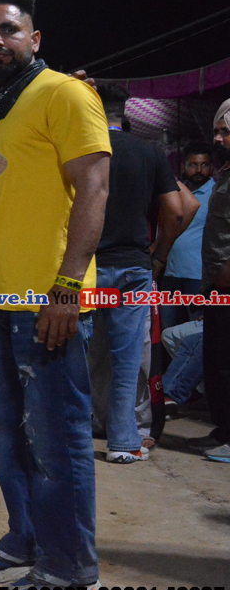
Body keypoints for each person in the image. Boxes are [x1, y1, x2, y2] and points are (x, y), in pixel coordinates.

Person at [0, 0, 110, 590]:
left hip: (47, 301)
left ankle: (68, 567)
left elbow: (95, 188)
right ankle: (26, 538)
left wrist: (67, 287)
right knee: (3, 431)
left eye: (8, 29)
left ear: (34, 37)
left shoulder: (64, 93)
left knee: (58, 440)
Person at [91, 85, 196, 463]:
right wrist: (159, 254)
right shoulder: (149, 152)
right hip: (134, 268)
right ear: (125, 113)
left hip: (86, 267)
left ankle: (80, 433)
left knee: (82, 355)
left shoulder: (82, 149)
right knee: (128, 359)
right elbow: (181, 209)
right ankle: (123, 442)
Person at [188, 101, 230, 463]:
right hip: (217, 284)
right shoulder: (226, 173)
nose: (218, 138)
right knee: (216, 359)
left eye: (225, 132)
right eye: (217, 131)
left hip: (227, 281)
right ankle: (223, 429)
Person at [160, 143, 216, 331]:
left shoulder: (216, 193)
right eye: (193, 165)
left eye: (204, 165)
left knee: (196, 332)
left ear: (211, 167)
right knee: (167, 330)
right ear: (183, 167)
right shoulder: (175, 192)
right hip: (170, 273)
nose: (199, 170)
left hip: (198, 276)